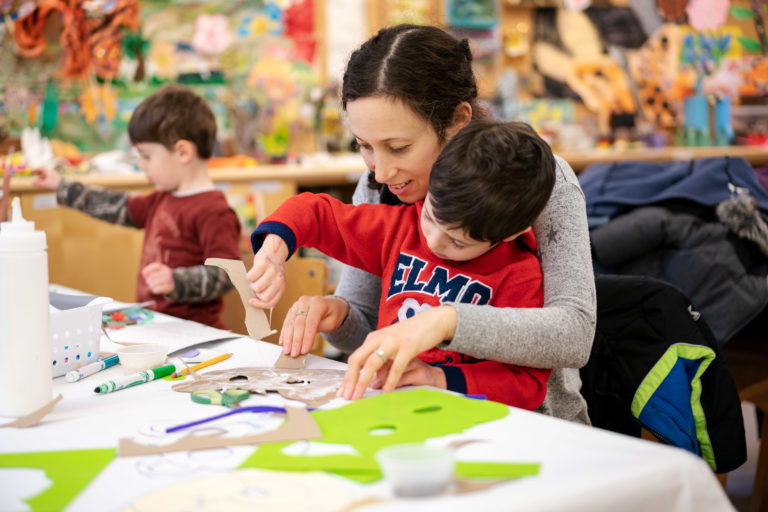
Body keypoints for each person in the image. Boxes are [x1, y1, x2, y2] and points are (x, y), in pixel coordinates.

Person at [251, 24, 596, 424]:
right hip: (412, 413)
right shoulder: (384, 191)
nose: (379, 172)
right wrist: (335, 312)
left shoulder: (535, 184)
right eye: (363, 146)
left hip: (533, 425)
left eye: (398, 147)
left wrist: (443, 322)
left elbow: (573, 335)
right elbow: (376, 329)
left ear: (458, 121)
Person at [249, 119, 555, 408]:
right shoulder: (401, 226)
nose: (434, 242)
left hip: (460, 418)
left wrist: (438, 378)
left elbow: (525, 383)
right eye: (431, 217)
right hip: (384, 402)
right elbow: (315, 213)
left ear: (512, 234)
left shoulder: (519, 276)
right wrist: (274, 250)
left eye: (458, 242)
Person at [33, 84, 241, 329]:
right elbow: (115, 206)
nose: (142, 165)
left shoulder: (213, 209)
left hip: (195, 334)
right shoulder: (161, 198)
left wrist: (177, 281)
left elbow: (228, 273)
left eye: (147, 156)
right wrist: (62, 187)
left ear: (183, 152)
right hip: (156, 325)